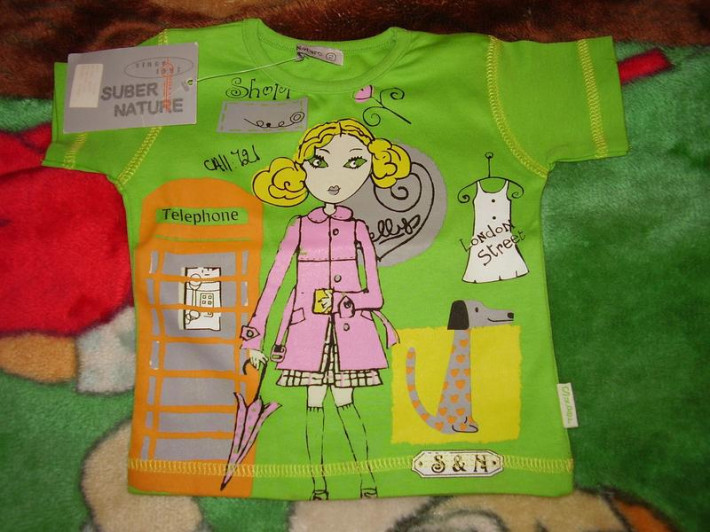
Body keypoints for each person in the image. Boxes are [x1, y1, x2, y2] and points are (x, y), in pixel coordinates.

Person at [240, 118, 410, 500]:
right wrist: (254, 336)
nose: (335, 177)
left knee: (346, 403)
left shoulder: (358, 228)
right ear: (301, 170)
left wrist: (347, 300)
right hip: (306, 334)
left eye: (354, 163)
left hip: (351, 333)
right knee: (314, 404)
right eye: (320, 162)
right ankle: (317, 484)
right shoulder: (299, 226)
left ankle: (367, 479)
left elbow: (376, 295)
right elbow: (274, 282)